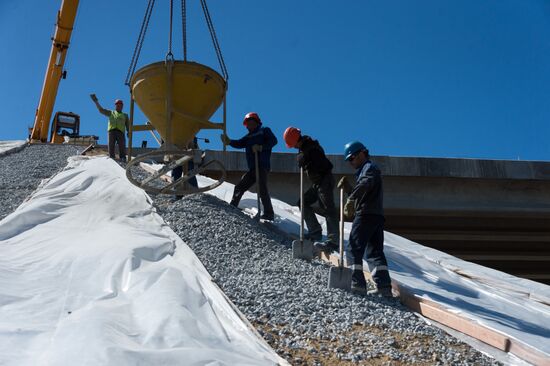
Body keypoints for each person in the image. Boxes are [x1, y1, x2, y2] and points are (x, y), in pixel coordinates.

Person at [337, 141, 393, 298]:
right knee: (374, 252)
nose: (351, 162)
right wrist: (349, 190)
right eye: (349, 160)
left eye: (352, 158)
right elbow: (365, 191)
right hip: (376, 216)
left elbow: (365, 185)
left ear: (362, 153)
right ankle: (384, 287)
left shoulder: (369, 168)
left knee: (353, 249)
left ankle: (358, 285)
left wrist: (351, 198)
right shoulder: (366, 170)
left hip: (366, 215)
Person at [283, 126, 339, 252]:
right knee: (303, 202)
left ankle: (333, 241)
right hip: (318, 183)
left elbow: (324, 164)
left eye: (293, 145)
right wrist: (303, 158)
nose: (294, 148)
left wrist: (305, 159)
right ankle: (315, 231)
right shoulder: (306, 148)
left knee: (328, 208)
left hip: (324, 180)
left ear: (295, 141)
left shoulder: (311, 147)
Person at [220, 112, 277, 220]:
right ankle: (233, 206)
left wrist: (261, 147)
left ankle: (269, 214)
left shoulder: (264, 130)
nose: (249, 125)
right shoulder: (248, 137)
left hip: (261, 166)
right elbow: (239, 143)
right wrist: (229, 142)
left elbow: (273, 141)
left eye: (251, 122)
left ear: (256, 122)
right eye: (247, 124)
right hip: (253, 168)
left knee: (262, 189)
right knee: (239, 187)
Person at [90, 94, 129, 162]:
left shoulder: (125, 115)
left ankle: (123, 158)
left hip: (120, 132)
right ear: (115, 105)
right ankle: (112, 158)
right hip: (111, 131)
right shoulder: (111, 113)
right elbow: (101, 110)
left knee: (122, 145)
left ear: (122, 106)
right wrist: (96, 101)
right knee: (111, 144)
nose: (119, 105)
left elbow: (128, 125)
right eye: (117, 104)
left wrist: (129, 132)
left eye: (120, 104)